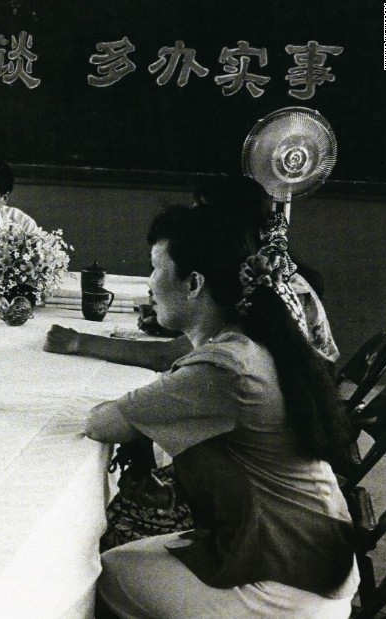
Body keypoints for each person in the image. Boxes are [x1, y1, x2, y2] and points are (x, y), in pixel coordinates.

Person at [87, 204, 357, 617]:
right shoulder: (254, 340)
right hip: (315, 554)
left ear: (194, 283)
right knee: (127, 561)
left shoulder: (224, 366)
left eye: (155, 268)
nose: (149, 285)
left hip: (291, 583)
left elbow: (102, 422)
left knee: (100, 576)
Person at [44, 176, 338, 372]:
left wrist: (79, 342)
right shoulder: (254, 266)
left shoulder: (263, 282)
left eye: (199, 216)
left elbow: (169, 356)